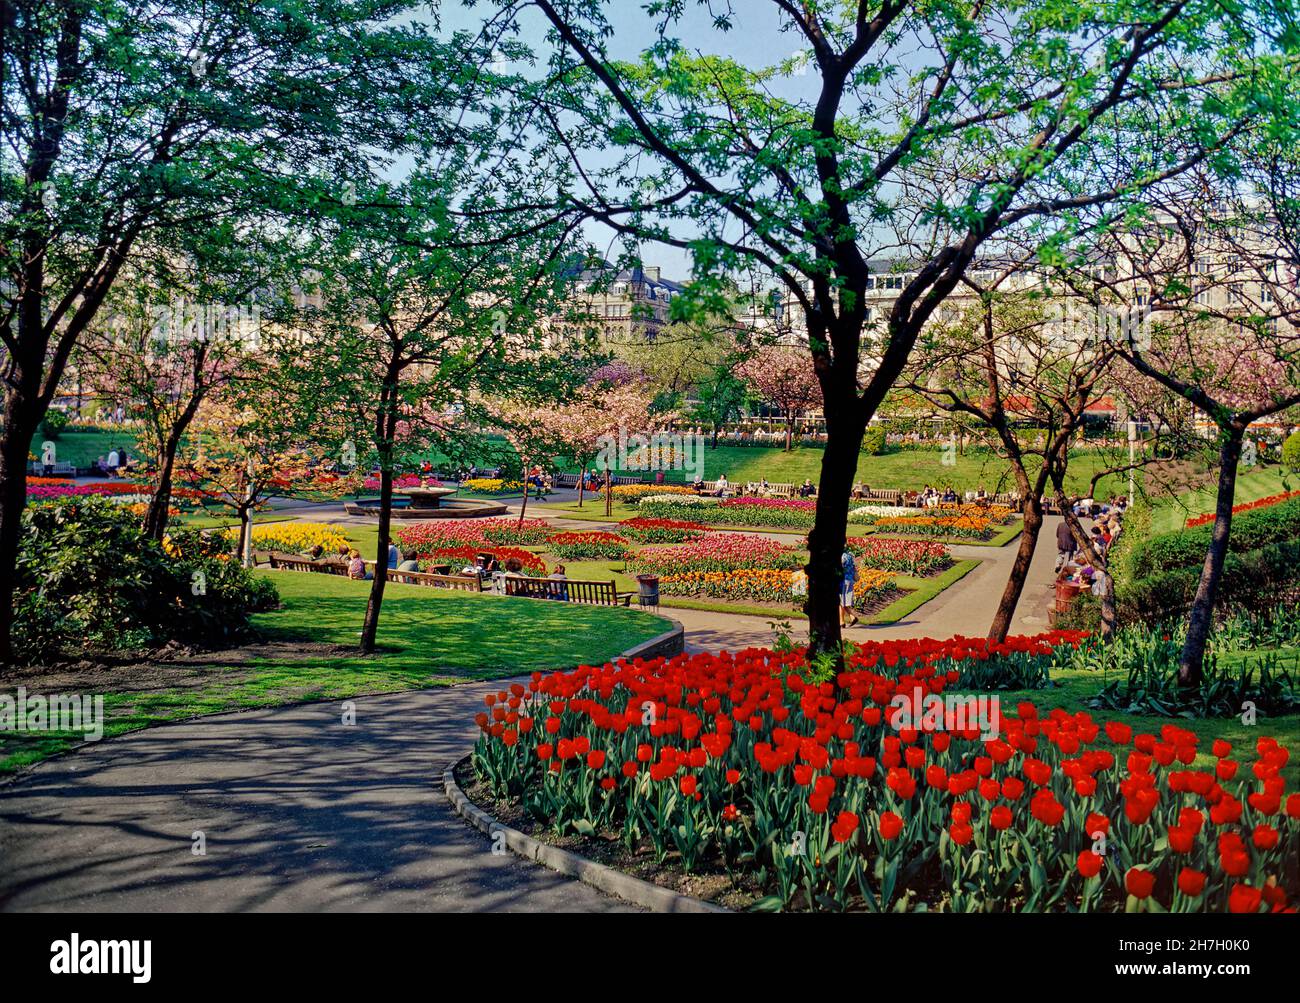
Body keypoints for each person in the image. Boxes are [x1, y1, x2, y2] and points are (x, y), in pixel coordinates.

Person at [840, 548, 859, 627]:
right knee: (844, 602)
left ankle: (841, 622)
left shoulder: (841, 557)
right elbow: (853, 567)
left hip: (842, 581)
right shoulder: (850, 555)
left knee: (841, 602)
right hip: (850, 581)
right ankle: (852, 617)